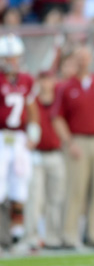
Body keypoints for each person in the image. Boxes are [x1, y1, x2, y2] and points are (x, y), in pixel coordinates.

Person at [52, 45, 94, 248]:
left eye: (85, 58)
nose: (82, 62)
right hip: (78, 139)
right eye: (79, 58)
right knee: (76, 189)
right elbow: (57, 117)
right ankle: (69, 234)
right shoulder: (67, 87)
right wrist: (69, 142)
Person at [0, 34, 40, 247]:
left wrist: (33, 131)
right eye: (8, 58)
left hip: (19, 138)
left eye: (15, 57)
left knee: (20, 184)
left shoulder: (26, 79)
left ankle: (16, 234)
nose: (12, 62)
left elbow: (32, 107)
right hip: (1, 136)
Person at [21, 69, 66, 251]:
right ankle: (31, 236)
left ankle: (53, 237)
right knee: (35, 198)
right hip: (36, 154)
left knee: (56, 198)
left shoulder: (59, 101)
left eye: (49, 79)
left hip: (55, 153)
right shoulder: (32, 102)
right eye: (43, 79)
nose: (46, 83)